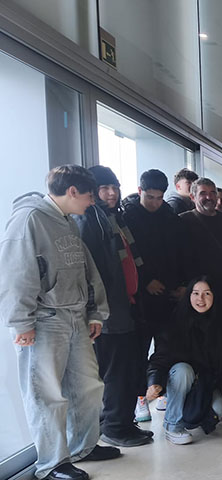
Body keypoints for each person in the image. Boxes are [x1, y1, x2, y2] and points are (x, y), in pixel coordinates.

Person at [1, 165, 117, 480]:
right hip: (43, 320)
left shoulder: (68, 222)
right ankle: (52, 464)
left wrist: (94, 312)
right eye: (90, 195)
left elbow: (85, 269)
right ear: (72, 192)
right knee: (46, 393)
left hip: (75, 317)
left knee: (88, 386)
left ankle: (84, 446)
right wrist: (21, 322)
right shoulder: (29, 220)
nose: (92, 202)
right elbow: (16, 273)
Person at [73, 166, 151, 448]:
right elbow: (91, 273)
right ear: (92, 192)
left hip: (125, 307)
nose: (112, 193)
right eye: (105, 188)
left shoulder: (112, 218)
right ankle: (115, 427)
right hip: (108, 314)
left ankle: (121, 422)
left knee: (126, 369)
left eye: (115, 187)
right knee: (116, 372)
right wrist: (97, 311)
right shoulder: (88, 220)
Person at [122, 169, 191, 422]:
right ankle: (140, 398)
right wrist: (145, 283)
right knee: (138, 351)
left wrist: (181, 285)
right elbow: (129, 258)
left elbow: (180, 255)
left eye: (159, 197)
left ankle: (161, 391)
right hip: (141, 298)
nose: (154, 202)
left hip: (169, 295)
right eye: (150, 197)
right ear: (140, 191)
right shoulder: (127, 217)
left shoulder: (170, 217)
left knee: (167, 348)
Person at [144, 277, 222, 444]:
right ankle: (172, 425)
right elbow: (161, 357)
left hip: (207, 382)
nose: (200, 299)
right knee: (183, 370)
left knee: (217, 408)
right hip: (181, 378)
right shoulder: (176, 321)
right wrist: (154, 381)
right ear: (188, 295)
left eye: (206, 293)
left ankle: (187, 412)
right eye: (195, 293)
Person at [180, 178, 222, 303]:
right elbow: (176, 256)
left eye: (212, 193)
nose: (209, 197)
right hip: (196, 289)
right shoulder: (182, 221)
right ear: (192, 197)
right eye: (203, 193)